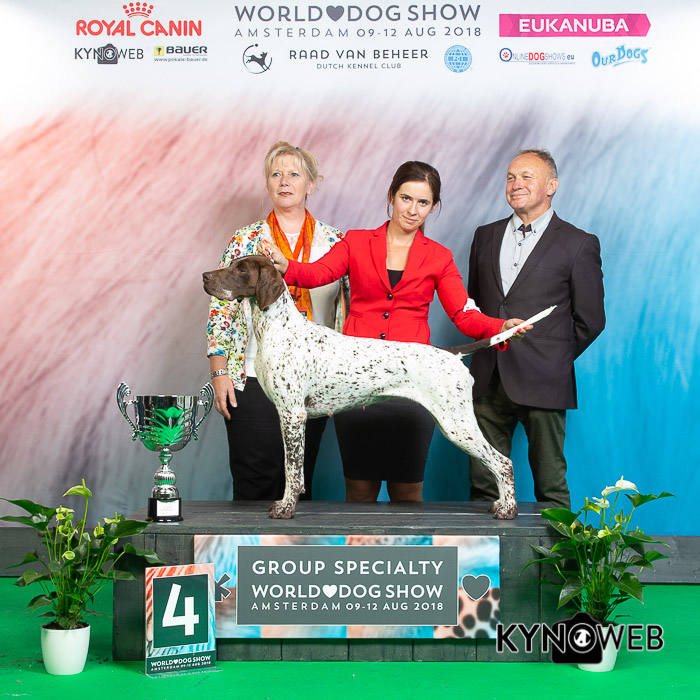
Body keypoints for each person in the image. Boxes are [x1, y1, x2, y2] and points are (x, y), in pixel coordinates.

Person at [265, 161, 527, 503]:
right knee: (359, 491)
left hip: (413, 379)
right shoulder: (356, 241)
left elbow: (462, 314)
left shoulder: (439, 257)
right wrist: (286, 266)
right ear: (391, 196)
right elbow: (318, 274)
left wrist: (500, 327)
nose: (413, 210)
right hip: (355, 381)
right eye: (406, 198)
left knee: (407, 492)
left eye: (423, 202)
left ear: (433, 207)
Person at [207, 141, 349, 501]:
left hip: (315, 378)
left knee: (298, 482)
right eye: (276, 174)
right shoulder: (246, 239)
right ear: (267, 183)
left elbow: (350, 310)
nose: (285, 181)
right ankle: (247, 541)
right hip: (253, 373)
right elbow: (221, 308)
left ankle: (292, 537)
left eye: (294, 174)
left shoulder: (336, 242)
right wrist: (219, 371)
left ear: (311, 184)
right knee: (254, 480)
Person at [467, 148, 605, 509]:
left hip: (545, 380)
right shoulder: (484, 236)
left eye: (526, 177)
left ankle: (556, 549)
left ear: (551, 186)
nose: (516, 184)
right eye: (511, 177)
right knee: (484, 487)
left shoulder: (578, 243)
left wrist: (552, 358)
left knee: (550, 486)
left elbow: (591, 320)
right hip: (487, 378)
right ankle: (483, 549)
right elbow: (474, 306)